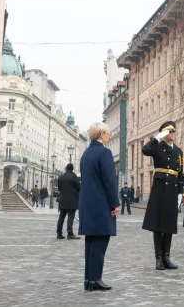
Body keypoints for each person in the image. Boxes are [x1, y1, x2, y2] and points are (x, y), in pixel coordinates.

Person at [79, 122, 119, 292]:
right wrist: (114, 203)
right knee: (100, 242)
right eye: (108, 134)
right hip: (101, 204)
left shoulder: (86, 153)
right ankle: (96, 279)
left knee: (90, 242)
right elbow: (109, 180)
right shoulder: (104, 153)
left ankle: (89, 279)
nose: (109, 137)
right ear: (101, 134)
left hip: (88, 204)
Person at [142, 120, 184, 270]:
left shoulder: (178, 151)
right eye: (169, 131)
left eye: (173, 131)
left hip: (172, 189)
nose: (172, 133)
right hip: (159, 189)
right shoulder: (158, 146)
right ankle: (158, 258)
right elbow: (145, 150)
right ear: (163, 133)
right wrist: (157, 138)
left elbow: (180, 173)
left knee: (169, 224)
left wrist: (180, 193)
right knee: (158, 225)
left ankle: (167, 257)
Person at [57, 163, 81, 239]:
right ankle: (70, 233)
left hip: (62, 200)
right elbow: (79, 187)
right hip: (72, 200)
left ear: (66, 168)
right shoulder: (74, 177)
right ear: (72, 169)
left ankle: (59, 233)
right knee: (70, 217)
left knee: (61, 217)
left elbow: (59, 188)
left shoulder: (61, 177)